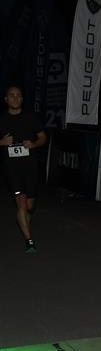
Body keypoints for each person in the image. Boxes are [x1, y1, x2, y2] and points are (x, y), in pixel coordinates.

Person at [0, 85, 47, 253]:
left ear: (22, 99)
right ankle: (29, 242)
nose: (15, 98)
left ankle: (24, 219)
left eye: (18, 95)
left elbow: (43, 137)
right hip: (11, 168)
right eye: (11, 95)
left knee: (29, 206)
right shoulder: (1, 119)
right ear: (6, 99)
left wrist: (33, 144)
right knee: (21, 202)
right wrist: (1, 142)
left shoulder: (30, 118)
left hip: (30, 166)